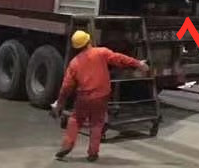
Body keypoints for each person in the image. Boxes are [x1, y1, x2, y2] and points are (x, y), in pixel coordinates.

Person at [51, 30, 149, 162]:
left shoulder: (74, 63)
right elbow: (119, 58)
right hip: (102, 95)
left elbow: (66, 87)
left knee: (75, 120)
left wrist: (60, 103)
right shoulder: (101, 52)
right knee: (97, 123)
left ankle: (67, 145)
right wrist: (138, 64)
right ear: (89, 41)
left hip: (84, 97)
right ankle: (93, 153)